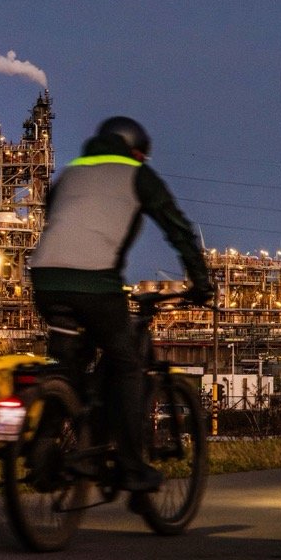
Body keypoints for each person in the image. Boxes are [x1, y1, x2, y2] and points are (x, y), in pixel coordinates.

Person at [29, 116, 214, 492]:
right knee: (127, 364)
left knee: (68, 364)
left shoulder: (69, 173)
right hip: (96, 284)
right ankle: (131, 465)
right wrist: (201, 280)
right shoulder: (137, 173)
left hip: (44, 279)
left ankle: (52, 440)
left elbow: (56, 221)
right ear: (136, 151)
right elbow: (176, 227)